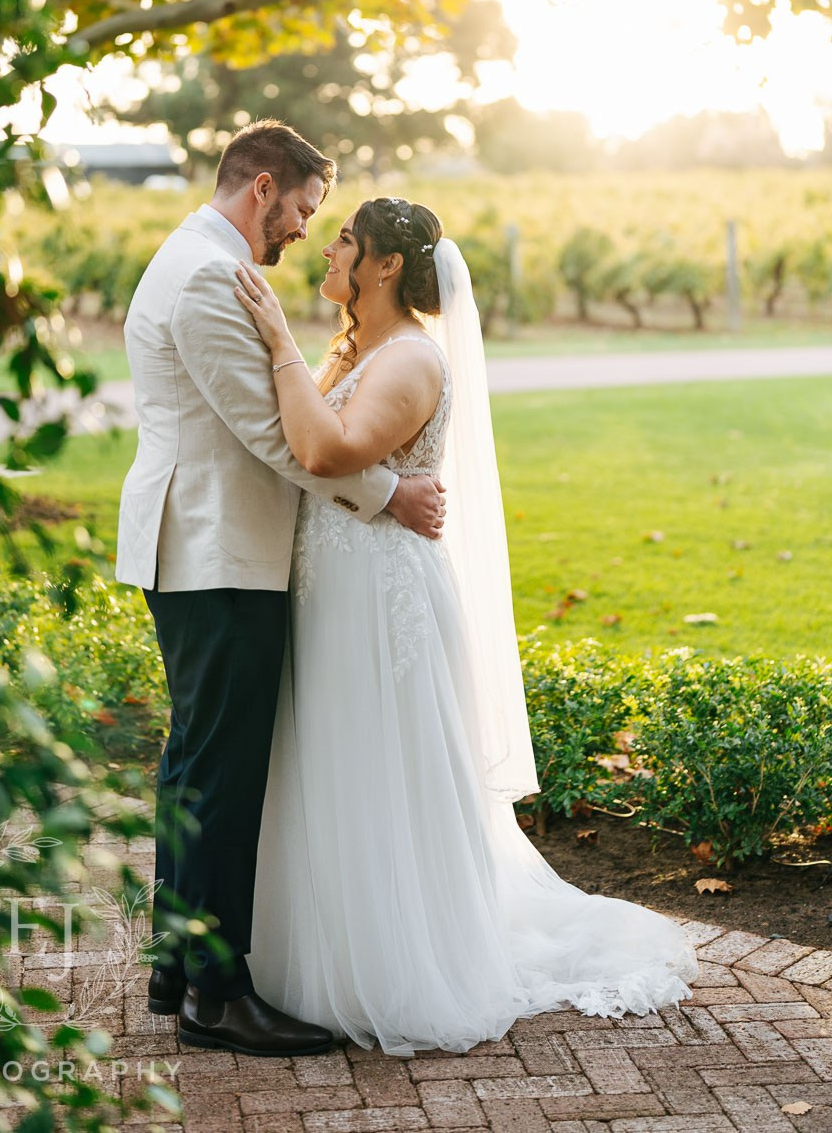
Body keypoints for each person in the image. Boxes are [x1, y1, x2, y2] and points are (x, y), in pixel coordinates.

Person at [233, 195, 698, 1056]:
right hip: (334, 585)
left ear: (383, 267)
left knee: (380, 772)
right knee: (330, 764)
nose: (325, 252)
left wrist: (279, 347)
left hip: (380, 597)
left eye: (342, 242)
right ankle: (318, 952)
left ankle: (401, 965)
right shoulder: (363, 351)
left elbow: (328, 453)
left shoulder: (410, 360)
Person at [115, 126, 446, 1058]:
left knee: (193, 766)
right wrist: (392, 494)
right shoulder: (209, 277)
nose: (305, 230)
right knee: (219, 777)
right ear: (263, 188)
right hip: (218, 554)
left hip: (209, 550)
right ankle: (217, 994)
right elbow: (279, 439)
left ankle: (178, 967)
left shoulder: (204, 259)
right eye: (302, 210)